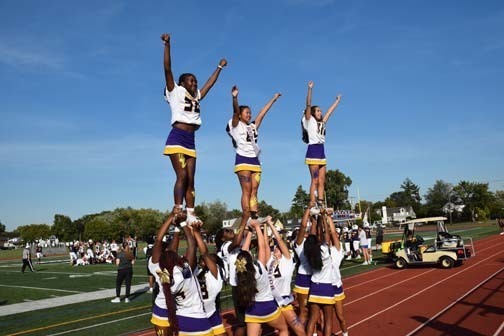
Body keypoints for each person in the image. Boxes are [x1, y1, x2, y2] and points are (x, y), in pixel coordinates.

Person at [161, 33, 227, 224]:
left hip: (191, 140)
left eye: (195, 81)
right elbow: (167, 68)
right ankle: (177, 208)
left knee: (191, 179)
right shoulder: (175, 91)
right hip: (177, 137)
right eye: (191, 80)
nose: (194, 83)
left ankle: (191, 213)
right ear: (182, 83)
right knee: (181, 175)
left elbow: (210, 84)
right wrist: (167, 45)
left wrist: (219, 67)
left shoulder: (196, 95)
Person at [149, 212, 213, 336]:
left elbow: (158, 240)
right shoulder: (184, 270)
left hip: (164, 310)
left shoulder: (158, 268)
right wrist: (182, 223)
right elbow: (192, 246)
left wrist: (173, 221)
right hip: (182, 313)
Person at [227, 85, 281, 221]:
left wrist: (273, 99)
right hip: (242, 160)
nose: (249, 115)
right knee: (246, 190)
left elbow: (263, 112)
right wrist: (235, 97)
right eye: (246, 112)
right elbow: (234, 111)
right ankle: (246, 216)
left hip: (255, 161)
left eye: (250, 112)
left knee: (254, 191)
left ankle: (254, 215)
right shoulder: (235, 124)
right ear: (240, 115)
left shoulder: (253, 126)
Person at [234, 219, 289, 336]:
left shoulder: (240, 273)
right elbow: (263, 247)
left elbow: (243, 252)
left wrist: (249, 232)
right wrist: (257, 228)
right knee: (283, 329)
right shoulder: (258, 267)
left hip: (252, 309)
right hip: (267, 306)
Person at [302, 80, 342, 211]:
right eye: (318, 111)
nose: (320, 112)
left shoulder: (322, 122)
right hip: (313, 149)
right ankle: (312, 203)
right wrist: (310, 89)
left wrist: (337, 101)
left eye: (320, 111)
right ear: (313, 113)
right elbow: (308, 104)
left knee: (322, 180)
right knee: (314, 180)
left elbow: (330, 112)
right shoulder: (309, 120)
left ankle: (320, 201)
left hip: (321, 151)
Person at [264, 217, 306, 336]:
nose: (275, 249)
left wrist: (270, 224)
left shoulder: (287, 260)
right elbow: (265, 244)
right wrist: (265, 226)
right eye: (275, 248)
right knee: (282, 331)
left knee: (299, 330)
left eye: (278, 248)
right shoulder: (269, 260)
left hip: (283, 301)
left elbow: (279, 240)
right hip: (271, 302)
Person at [193, 222, 226, 336]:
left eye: (208, 260)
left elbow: (205, 253)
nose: (204, 260)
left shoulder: (215, 273)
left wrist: (197, 233)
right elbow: (194, 250)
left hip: (210, 312)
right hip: (196, 313)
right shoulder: (196, 270)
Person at [292, 208, 313, 325]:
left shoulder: (310, 241)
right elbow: (303, 226)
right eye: (302, 233)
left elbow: (313, 228)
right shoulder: (298, 244)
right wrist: (307, 211)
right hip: (303, 278)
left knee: (315, 310)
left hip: (315, 278)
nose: (306, 233)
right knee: (303, 310)